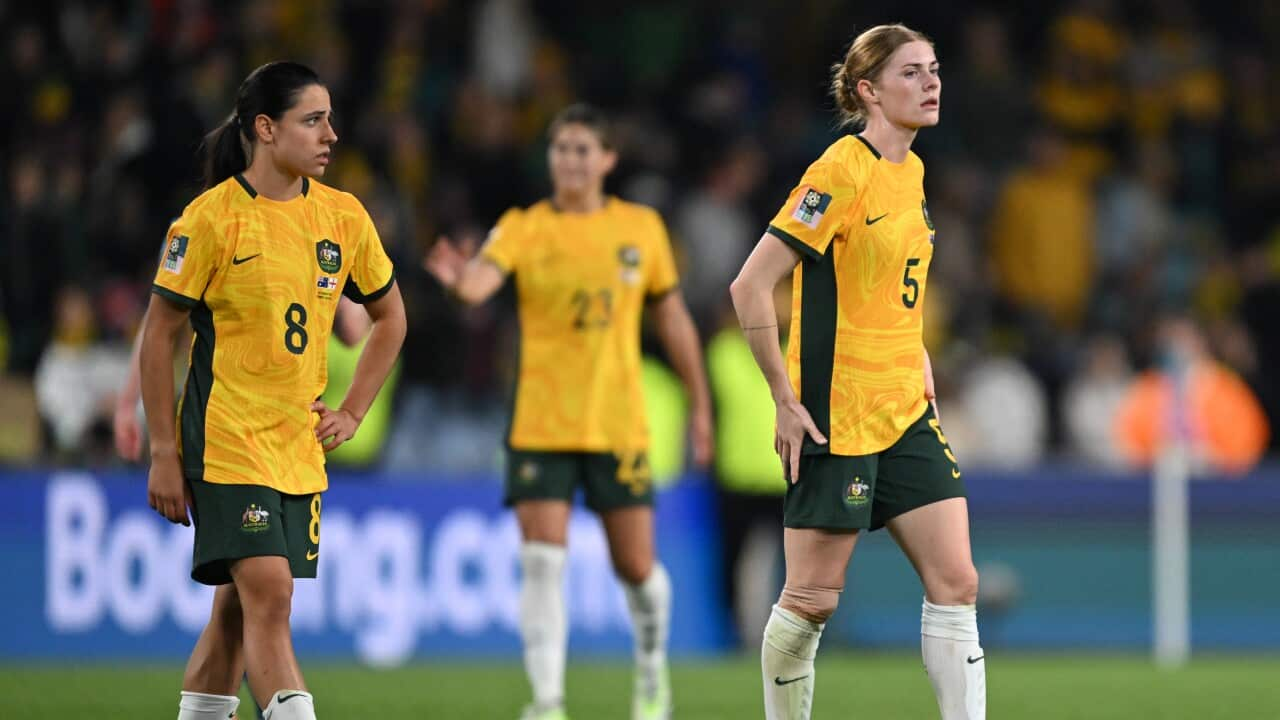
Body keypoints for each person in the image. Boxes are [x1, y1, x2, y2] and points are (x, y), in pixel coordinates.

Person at [729, 25, 985, 720]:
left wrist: (917, 348)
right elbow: (749, 287)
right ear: (869, 90)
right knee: (811, 602)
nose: (931, 82)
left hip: (905, 407)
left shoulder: (916, 172)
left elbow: (887, 284)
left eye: (934, 69)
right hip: (837, 415)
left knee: (957, 579)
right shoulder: (841, 168)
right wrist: (783, 401)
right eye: (911, 72)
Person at [425, 103, 713, 720]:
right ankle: (548, 702)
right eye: (561, 149)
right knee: (541, 561)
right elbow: (480, 284)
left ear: (607, 159)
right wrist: (458, 281)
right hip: (541, 421)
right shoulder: (524, 227)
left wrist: (700, 406)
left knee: (635, 568)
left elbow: (674, 320)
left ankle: (651, 669)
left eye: (584, 149)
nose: (571, 161)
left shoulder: (641, 228)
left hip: (616, 421)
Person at [140, 61, 405, 720]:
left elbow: (391, 317)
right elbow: (157, 337)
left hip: (298, 445)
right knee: (271, 594)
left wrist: (352, 410)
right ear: (265, 128)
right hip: (226, 437)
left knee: (236, 609)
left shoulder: (343, 218)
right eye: (312, 120)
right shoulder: (210, 220)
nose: (331, 135)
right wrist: (164, 453)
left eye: (330, 119)